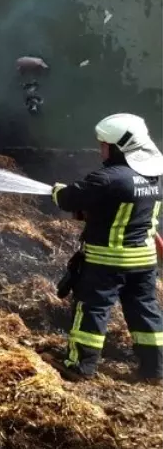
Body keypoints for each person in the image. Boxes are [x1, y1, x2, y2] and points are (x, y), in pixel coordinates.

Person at [52, 113, 163, 381]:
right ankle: (155, 369)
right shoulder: (154, 177)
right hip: (144, 262)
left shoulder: (108, 178)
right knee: (145, 311)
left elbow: (67, 199)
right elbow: (125, 210)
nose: (100, 148)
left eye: (103, 143)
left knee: (92, 309)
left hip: (107, 262)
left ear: (116, 147)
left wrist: (57, 190)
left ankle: (80, 366)